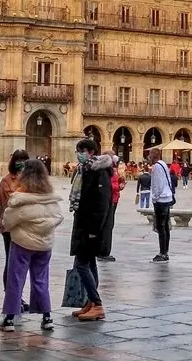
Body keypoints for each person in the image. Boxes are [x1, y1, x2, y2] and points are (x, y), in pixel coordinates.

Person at [0, 159, 64, 333]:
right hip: (45, 245)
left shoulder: (19, 201)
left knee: (16, 280)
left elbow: (7, 223)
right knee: (41, 280)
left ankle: (10, 318)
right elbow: (58, 217)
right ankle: (47, 317)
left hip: (22, 243)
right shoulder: (52, 199)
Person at [69, 137, 112, 322]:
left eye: (82, 150)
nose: (79, 154)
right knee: (90, 263)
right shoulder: (85, 170)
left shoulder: (98, 173)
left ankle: (97, 303)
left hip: (90, 227)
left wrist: (94, 229)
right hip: (84, 224)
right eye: (78, 151)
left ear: (91, 152)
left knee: (81, 264)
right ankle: (91, 303)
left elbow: (102, 204)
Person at [0, 149, 30, 315]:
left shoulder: (29, 180)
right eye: (19, 160)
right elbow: (11, 203)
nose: (22, 163)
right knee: (11, 262)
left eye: (25, 160)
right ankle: (11, 298)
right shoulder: (6, 181)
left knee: (21, 264)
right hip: (10, 228)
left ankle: (19, 297)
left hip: (26, 227)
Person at [98, 153, 125, 262]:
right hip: (111, 200)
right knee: (108, 226)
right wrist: (119, 186)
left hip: (111, 199)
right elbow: (109, 185)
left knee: (106, 225)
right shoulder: (108, 171)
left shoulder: (107, 170)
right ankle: (104, 251)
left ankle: (102, 250)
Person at [149, 147, 174, 261]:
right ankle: (165, 251)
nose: (149, 156)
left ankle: (162, 253)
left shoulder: (156, 167)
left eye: (150, 154)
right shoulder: (163, 164)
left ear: (154, 155)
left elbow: (157, 185)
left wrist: (155, 198)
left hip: (161, 200)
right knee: (166, 227)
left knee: (161, 227)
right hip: (167, 197)